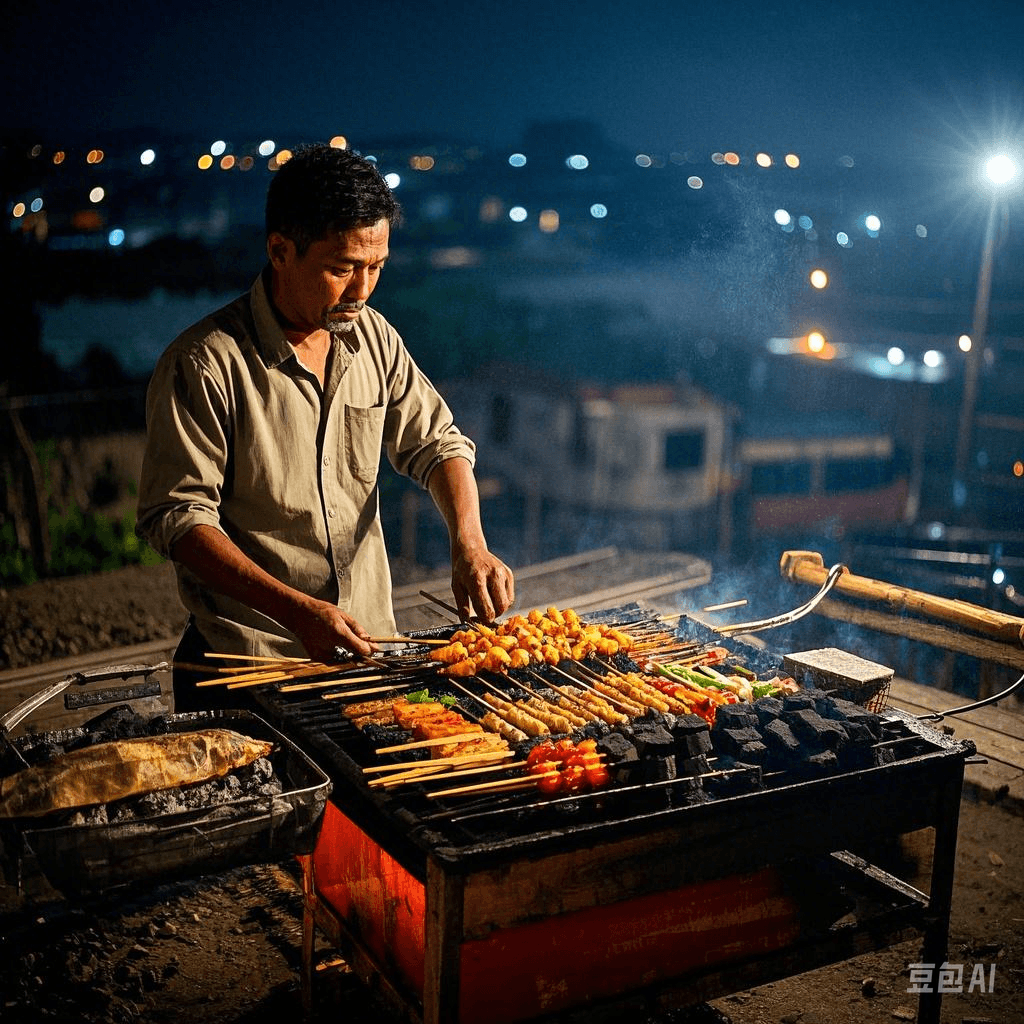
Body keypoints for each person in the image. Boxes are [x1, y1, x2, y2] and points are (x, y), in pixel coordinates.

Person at [136, 143, 514, 711]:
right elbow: (178, 517)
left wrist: (470, 543)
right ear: (280, 250)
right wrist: (297, 613)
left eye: (377, 268)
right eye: (342, 269)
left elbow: (438, 442)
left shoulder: (374, 338)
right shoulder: (204, 363)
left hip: (367, 651)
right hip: (252, 666)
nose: (362, 291)